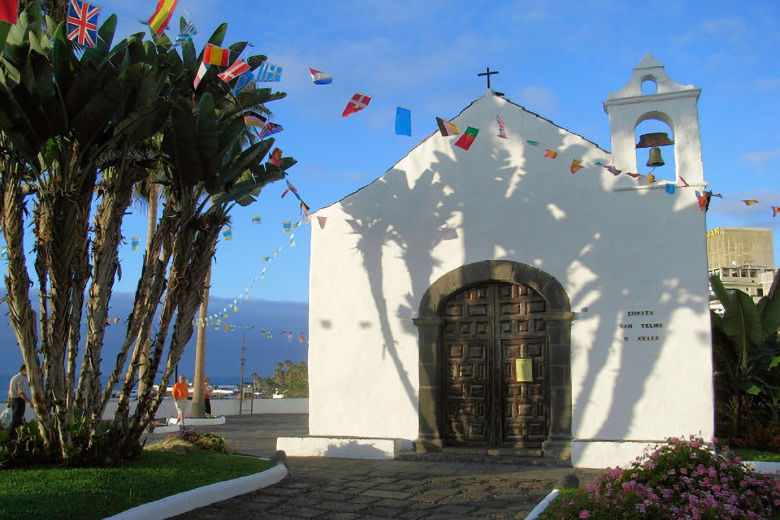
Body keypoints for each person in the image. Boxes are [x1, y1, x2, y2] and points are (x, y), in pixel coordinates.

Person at [7, 365, 32, 440]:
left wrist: (8, 401)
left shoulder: (14, 377)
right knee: (16, 421)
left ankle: (20, 437)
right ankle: (10, 437)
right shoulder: (21, 379)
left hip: (13, 400)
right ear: (24, 370)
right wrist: (29, 401)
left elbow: (9, 391)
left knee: (19, 420)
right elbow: (21, 393)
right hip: (18, 401)